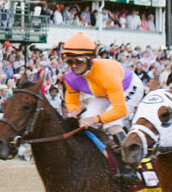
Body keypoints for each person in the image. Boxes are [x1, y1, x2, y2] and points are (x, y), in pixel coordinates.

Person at [59, 32, 144, 173]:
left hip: (128, 87)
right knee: (84, 123)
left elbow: (120, 110)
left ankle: (130, 165)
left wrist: (95, 119)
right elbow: (72, 100)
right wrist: (73, 112)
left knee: (111, 123)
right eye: (69, 61)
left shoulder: (106, 74)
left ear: (90, 59)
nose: (74, 66)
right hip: (104, 93)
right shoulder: (70, 78)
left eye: (79, 61)